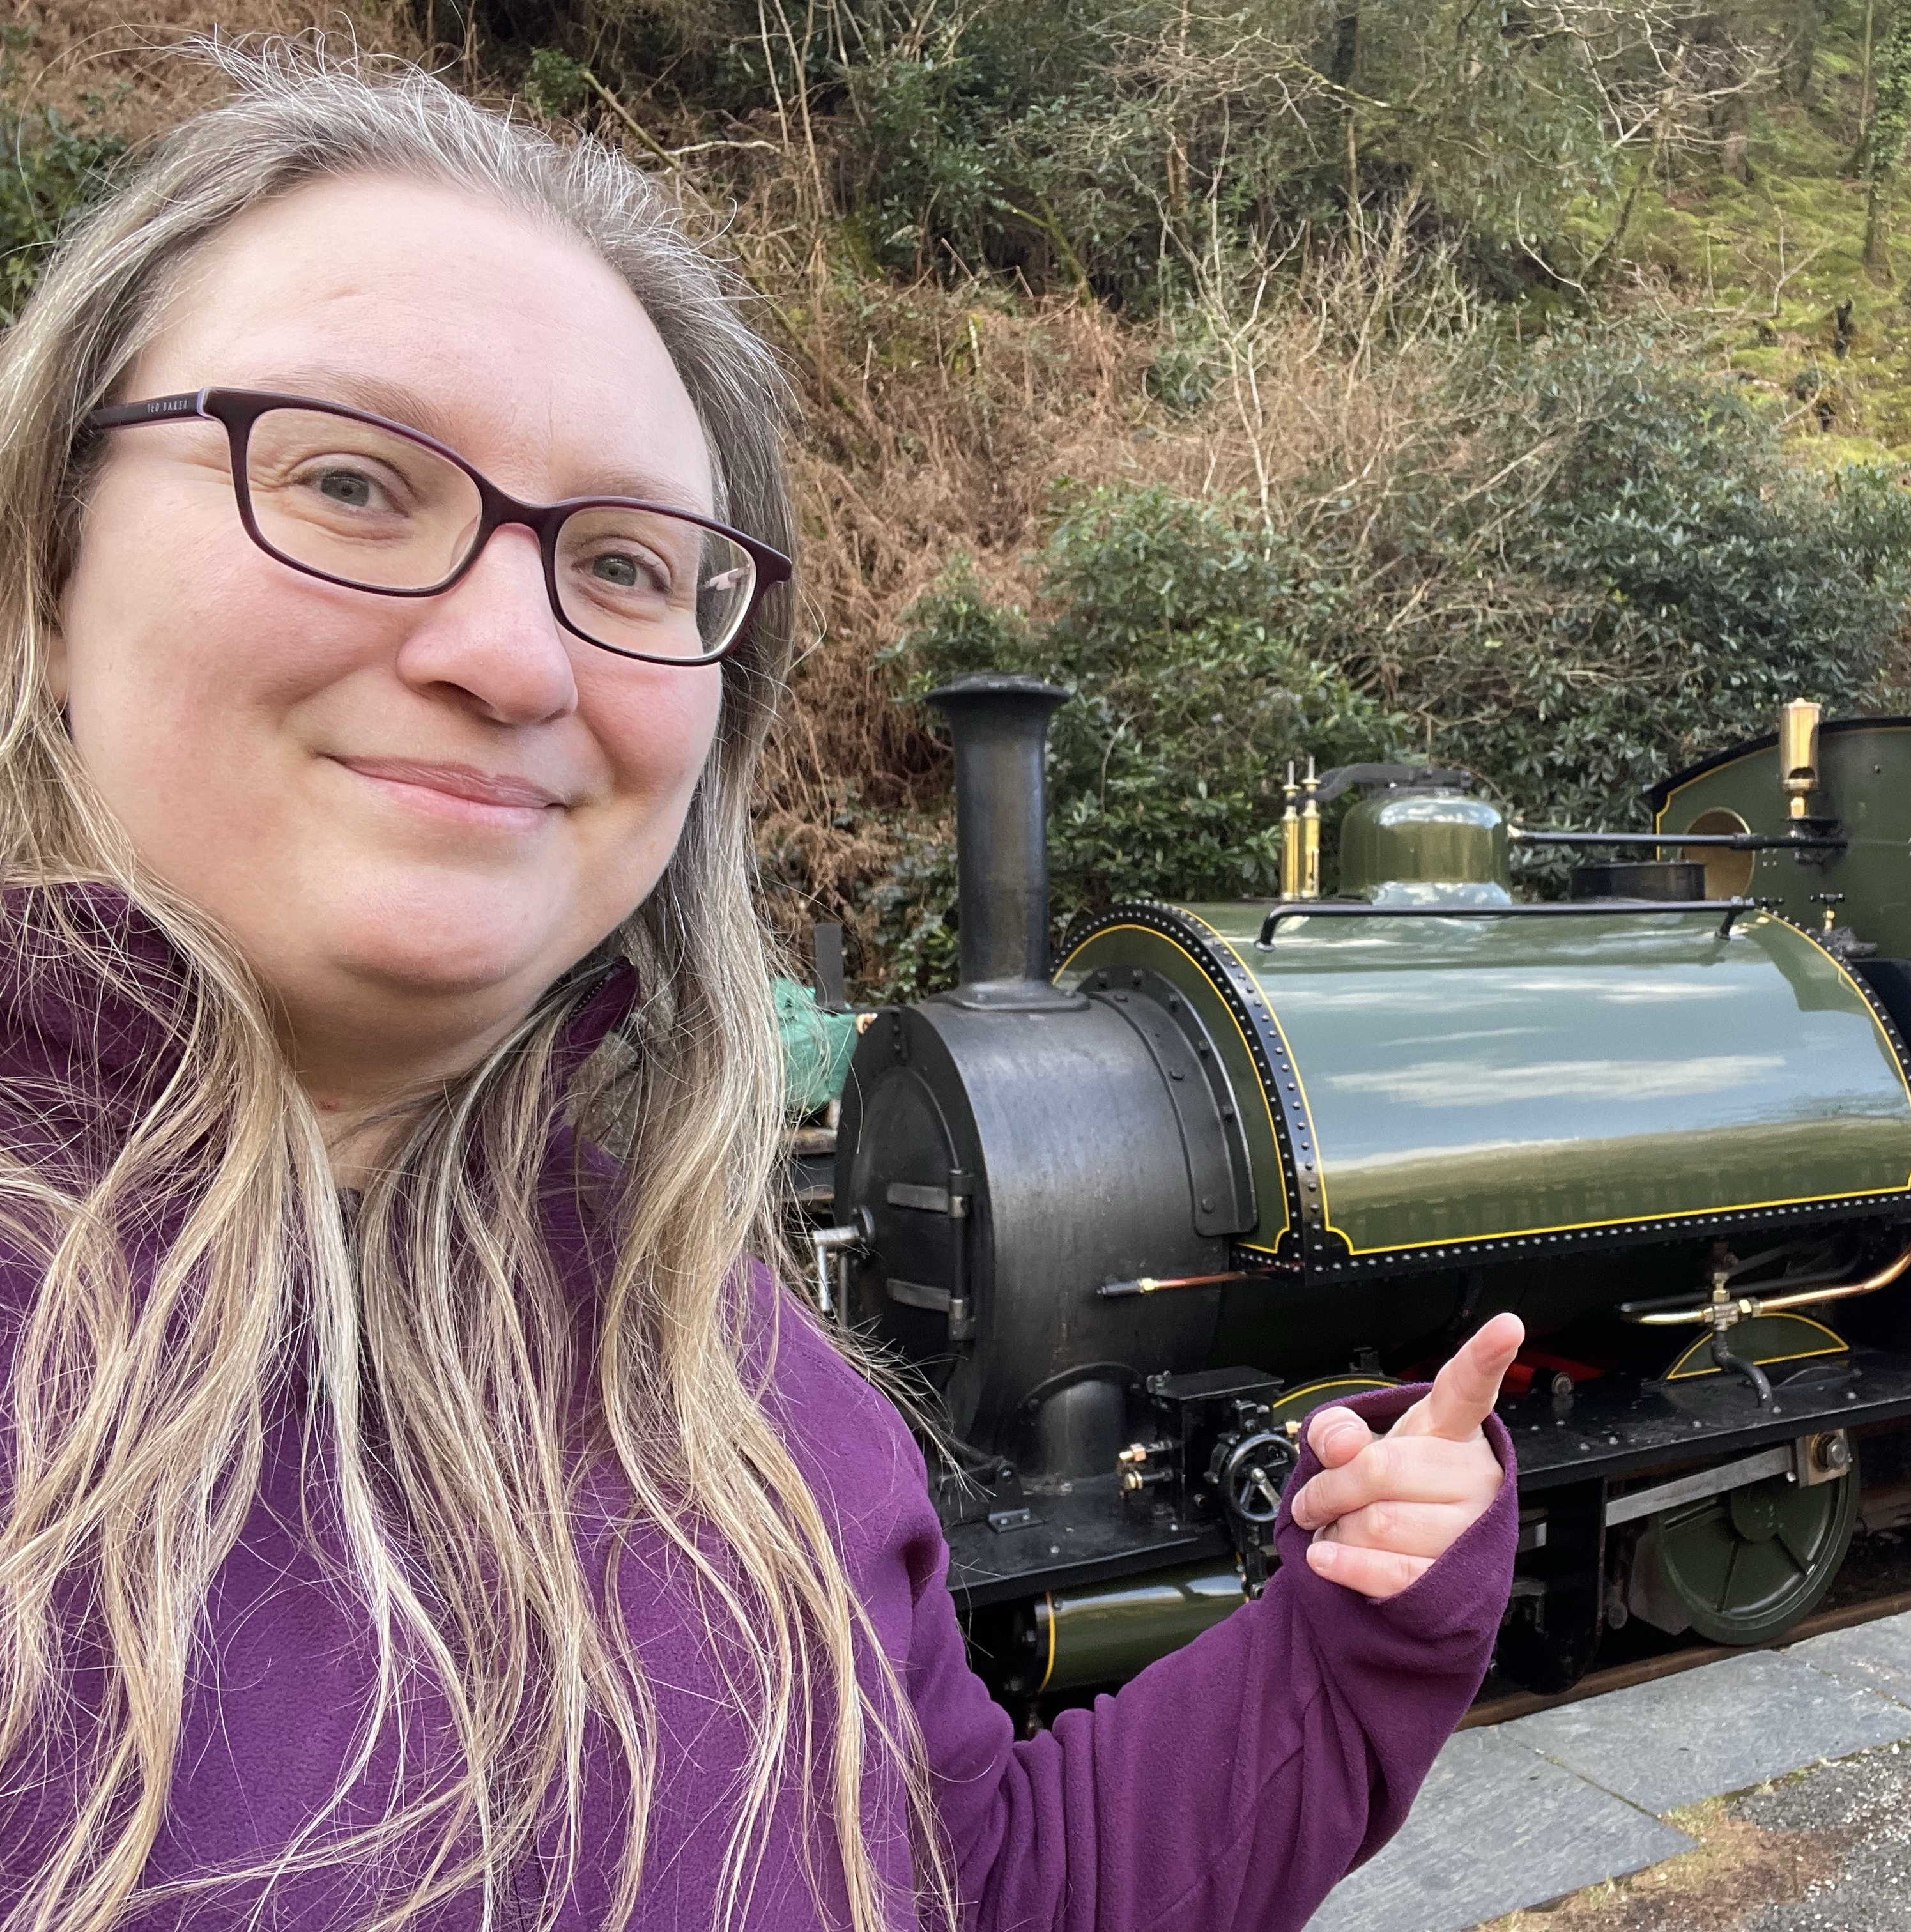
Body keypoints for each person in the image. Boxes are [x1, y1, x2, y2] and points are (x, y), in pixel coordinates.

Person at [0, 51, 1520, 1930]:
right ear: (49, 574)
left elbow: (986, 1885)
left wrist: (1368, 1631)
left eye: (626, 562)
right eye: (344, 478)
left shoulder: (748, 1386)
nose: (507, 651)